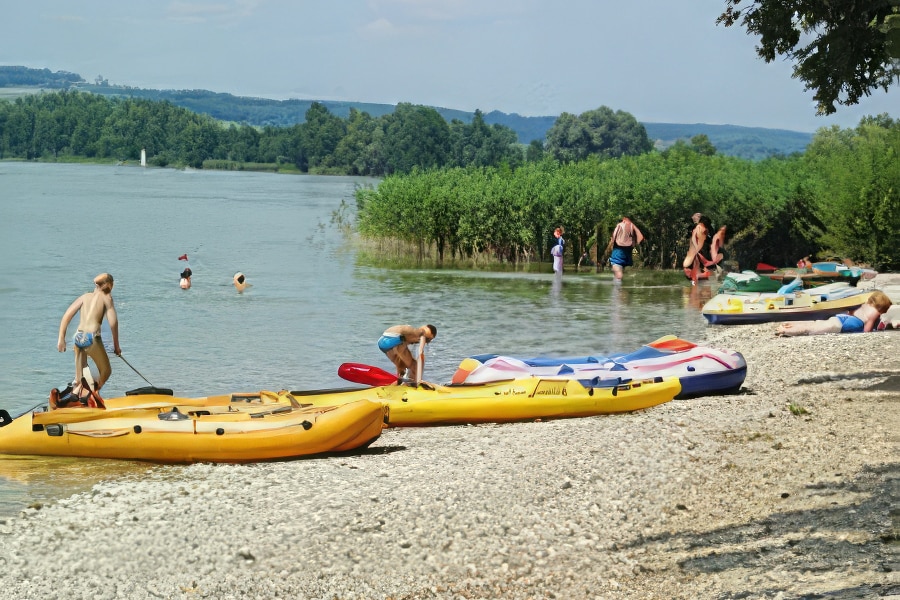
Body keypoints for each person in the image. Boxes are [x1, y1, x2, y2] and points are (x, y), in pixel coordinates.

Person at [55, 273, 121, 405]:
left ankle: (77, 393)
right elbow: (113, 323)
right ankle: (92, 393)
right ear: (109, 285)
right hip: (92, 338)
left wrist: (61, 338)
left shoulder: (85, 297)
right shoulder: (107, 298)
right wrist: (116, 346)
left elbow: (66, 316)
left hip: (78, 337)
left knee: (81, 373)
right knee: (106, 371)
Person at [775, 291, 892, 336]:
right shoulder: (874, 313)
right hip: (842, 325)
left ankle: (789, 325)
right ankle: (785, 330)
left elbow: (851, 311)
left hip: (842, 318)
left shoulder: (865, 304)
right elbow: (867, 331)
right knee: (812, 329)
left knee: (815, 324)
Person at [605, 216, 644, 281]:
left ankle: (618, 288)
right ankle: (618, 288)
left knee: (619, 276)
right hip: (622, 255)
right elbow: (640, 238)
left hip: (620, 254)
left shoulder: (621, 226)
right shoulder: (628, 226)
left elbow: (613, 239)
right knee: (619, 275)